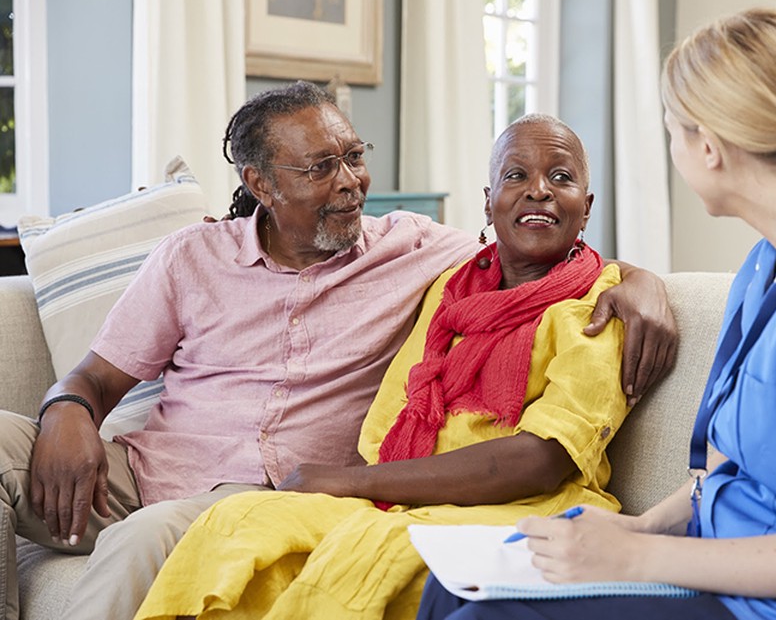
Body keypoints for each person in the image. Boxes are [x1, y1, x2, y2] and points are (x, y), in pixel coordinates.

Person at [0, 83, 675, 620]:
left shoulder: (413, 248)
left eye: (354, 156)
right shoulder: (192, 256)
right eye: (322, 167)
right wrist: (67, 409)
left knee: (142, 537)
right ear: (260, 183)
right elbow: (93, 377)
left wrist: (643, 282)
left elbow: (538, 244)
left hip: (256, 495)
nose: (351, 180)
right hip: (144, 470)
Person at [416, 8, 776, 620]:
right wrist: (640, 528)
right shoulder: (767, 264)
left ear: (708, 146)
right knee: (453, 588)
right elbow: (732, 464)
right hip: (725, 568)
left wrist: (635, 559)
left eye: (671, 130)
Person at [132, 113, 633, 619]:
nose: (538, 191)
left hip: (519, 507)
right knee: (237, 523)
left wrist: (349, 482)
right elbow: (387, 424)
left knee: (360, 558)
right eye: (515, 176)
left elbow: (543, 460)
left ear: (586, 209)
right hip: (402, 493)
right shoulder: (452, 286)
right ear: (487, 201)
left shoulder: (600, 307)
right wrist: (366, 486)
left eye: (561, 178)